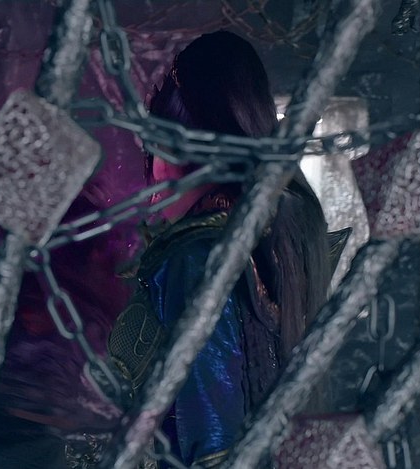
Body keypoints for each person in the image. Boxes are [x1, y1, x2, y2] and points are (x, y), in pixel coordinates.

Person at [108, 31, 332, 468]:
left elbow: (211, 439)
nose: (153, 176)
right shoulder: (279, 235)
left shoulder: (196, 257)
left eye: (157, 151)